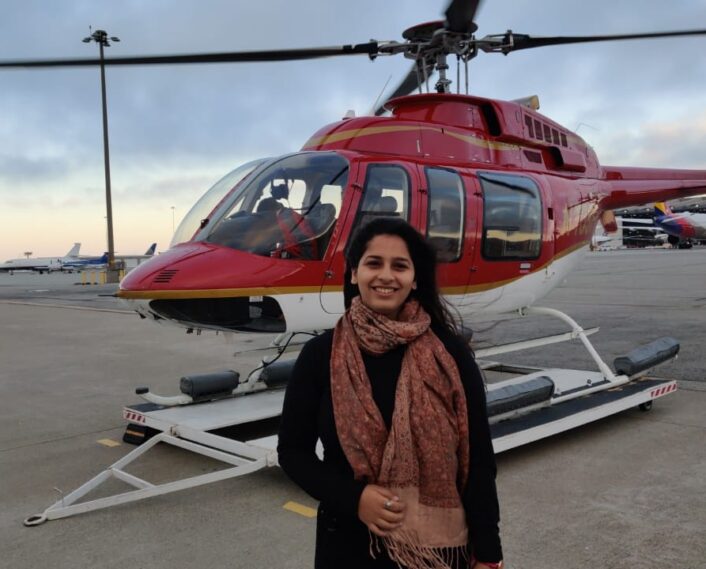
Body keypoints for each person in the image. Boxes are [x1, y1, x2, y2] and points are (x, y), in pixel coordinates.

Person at [277, 218, 503, 569]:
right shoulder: (321, 355)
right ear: (354, 274)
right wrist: (355, 498)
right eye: (374, 263)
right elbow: (293, 452)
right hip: (348, 544)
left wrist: (489, 551)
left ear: (415, 279)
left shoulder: (449, 354)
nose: (386, 276)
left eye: (400, 266)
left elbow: (478, 459)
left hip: (438, 552)